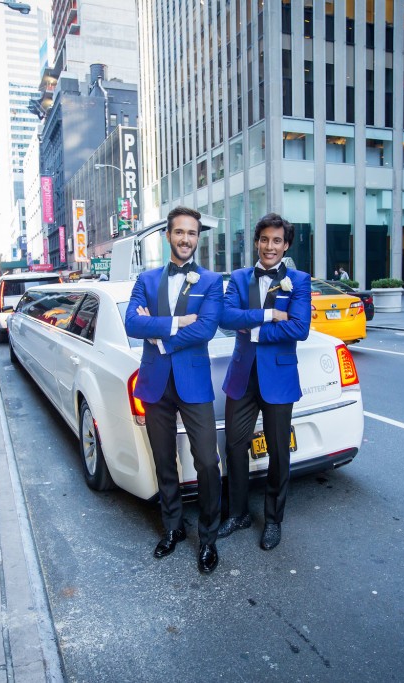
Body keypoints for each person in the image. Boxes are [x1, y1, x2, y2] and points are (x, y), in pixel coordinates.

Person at [124, 206, 224, 574]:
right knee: (165, 462)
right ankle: (173, 528)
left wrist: (160, 333)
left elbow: (207, 329)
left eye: (192, 233)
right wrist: (178, 322)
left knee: (208, 463)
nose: (186, 239)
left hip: (194, 383)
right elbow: (132, 323)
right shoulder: (146, 280)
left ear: (198, 238)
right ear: (168, 235)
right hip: (154, 384)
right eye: (179, 232)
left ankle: (208, 538)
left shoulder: (211, 282)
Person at [218, 213, 312, 551]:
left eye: (276, 241)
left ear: (285, 245)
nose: (269, 246)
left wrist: (251, 327)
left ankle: (273, 520)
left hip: (279, 377)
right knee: (234, 447)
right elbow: (226, 318)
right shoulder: (240, 278)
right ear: (256, 242)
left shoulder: (298, 281)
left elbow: (299, 329)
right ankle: (239, 512)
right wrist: (270, 315)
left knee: (278, 453)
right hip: (241, 376)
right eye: (264, 240)